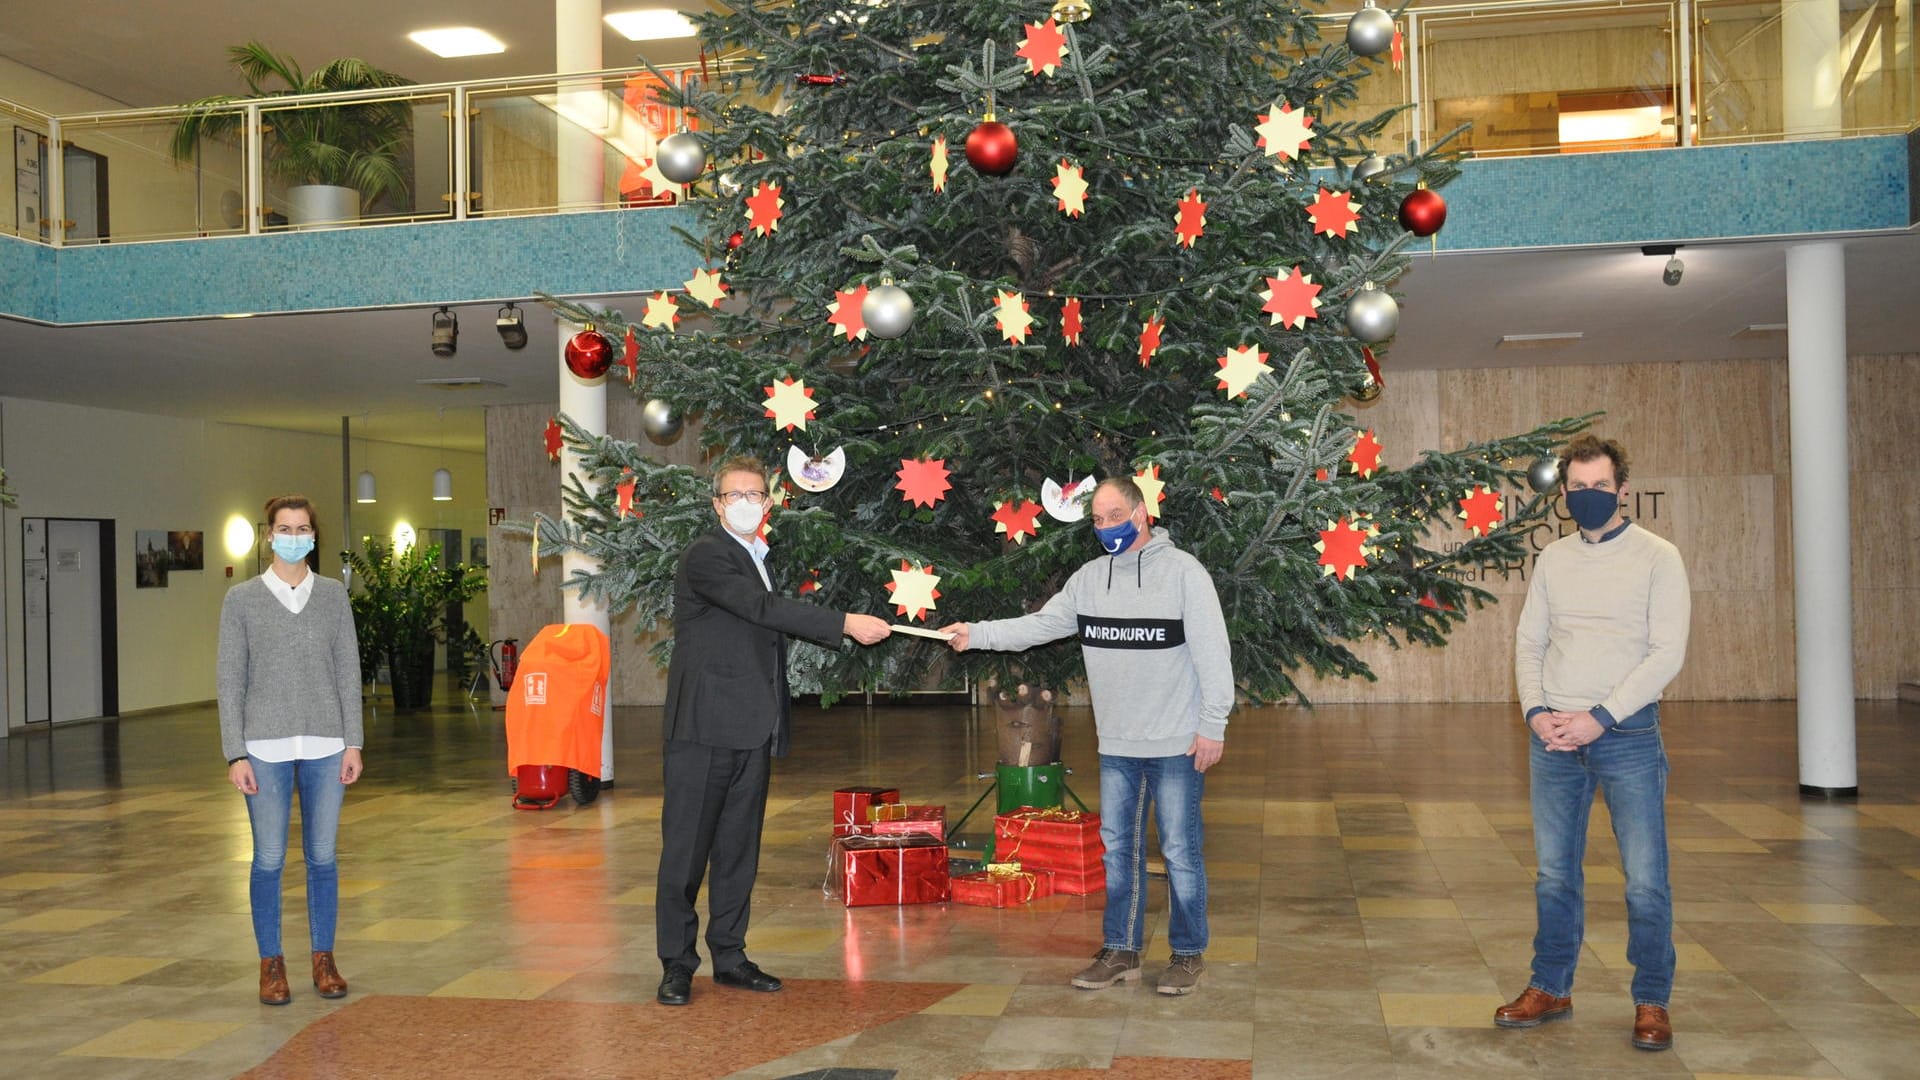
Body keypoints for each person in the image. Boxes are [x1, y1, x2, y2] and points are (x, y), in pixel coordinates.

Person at [940, 476, 1232, 996]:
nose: (1105, 527)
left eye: (1115, 515)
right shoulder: (1089, 580)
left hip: (1176, 743)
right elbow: (1038, 625)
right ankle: (1121, 949)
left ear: (1142, 514)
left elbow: (1214, 655)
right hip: (1116, 744)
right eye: (1097, 519)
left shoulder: (1185, 574)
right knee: (1118, 852)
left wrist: (1213, 726)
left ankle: (1188, 954)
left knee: (1181, 851)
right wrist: (977, 633)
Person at [656, 455, 893, 1006]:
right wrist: (842, 623)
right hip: (702, 729)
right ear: (717, 504)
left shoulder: (755, 556)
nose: (744, 503)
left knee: (739, 851)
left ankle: (731, 956)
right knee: (686, 854)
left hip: (751, 730)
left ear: (767, 505)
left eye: (754, 495)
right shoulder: (707, 555)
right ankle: (676, 963)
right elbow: (758, 608)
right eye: (733, 495)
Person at [1496, 435, 1690, 1051]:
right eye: (1575, 489)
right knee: (1554, 874)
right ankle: (1549, 986)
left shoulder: (1660, 558)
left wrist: (1601, 716)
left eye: (1598, 487)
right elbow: (1530, 643)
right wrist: (1535, 712)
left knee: (1644, 878)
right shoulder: (1553, 560)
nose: (1586, 498)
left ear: (1622, 490)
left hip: (1626, 736)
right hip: (1553, 739)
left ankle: (1652, 999)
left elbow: (1667, 654)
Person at [217, 494, 365, 1006]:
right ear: (269, 536)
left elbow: (349, 671)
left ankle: (323, 960)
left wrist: (354, 742)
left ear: (313, 537)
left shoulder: (331, 596)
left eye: (303, 528)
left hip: (327, 744)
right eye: (285, 527)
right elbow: (229, 680)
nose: (295, 536)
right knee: (270, 859)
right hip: (264, 747)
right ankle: (271, 964)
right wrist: (235, 752)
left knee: (323, 857)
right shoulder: (242, 600)